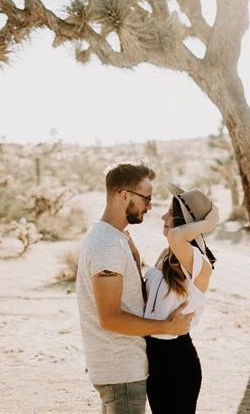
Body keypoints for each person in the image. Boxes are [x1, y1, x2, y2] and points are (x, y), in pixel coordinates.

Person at [76, 164, 194, 414]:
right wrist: (168, 327)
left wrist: (136, 260)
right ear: (124, 195)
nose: (150, 207)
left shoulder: (112, 238)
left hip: (119, 369)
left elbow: (127, 302)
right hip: (122, 372)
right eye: (147, 199)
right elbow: (110, 319)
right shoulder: (108, 245)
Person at [141, 182, 219, 414]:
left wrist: (208, 224)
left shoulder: (199, 262)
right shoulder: (166, 255)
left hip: (177, 360)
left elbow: (176, 236)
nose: (163, 216)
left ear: (187, 224)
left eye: (172, 213)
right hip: (153, 357)